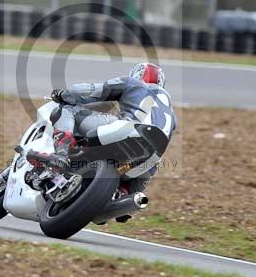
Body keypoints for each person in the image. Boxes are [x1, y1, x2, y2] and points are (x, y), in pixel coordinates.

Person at [49, 62, 177, 199]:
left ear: (138, 74)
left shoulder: (134, 83)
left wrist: (63, 94)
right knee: (153, 164)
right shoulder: (172, 115)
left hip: (128, 130)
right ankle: (123, 194)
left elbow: (90, 91)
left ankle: (62, 153)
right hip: (148, 159)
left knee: (67, 110)